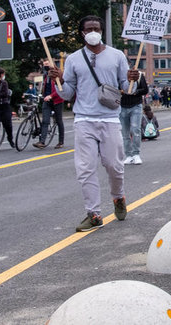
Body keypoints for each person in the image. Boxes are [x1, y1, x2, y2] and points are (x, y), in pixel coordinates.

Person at [48, 15, 138, 232]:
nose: (93, 31)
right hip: (84, 120)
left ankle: (118, 197)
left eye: (96, 28)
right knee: (85, 169)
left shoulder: (117, 55)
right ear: (82, 33)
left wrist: (134, 78)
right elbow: (68, 93)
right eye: (89, 28)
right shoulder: (73, 59)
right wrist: (57, 80)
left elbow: (127, 89)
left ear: (102, 30)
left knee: (114, 166)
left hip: (109, 119)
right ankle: (94, 213)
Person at [35, 60, 66, 149]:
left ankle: (61, 142)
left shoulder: (58, 74)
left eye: (47, 64)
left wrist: (51, 96)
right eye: (44, 65)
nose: (45, 66)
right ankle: (42, 141)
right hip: (47, 100)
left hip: (57, 100)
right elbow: (45, 86)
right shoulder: (46, 75)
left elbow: (60, 88)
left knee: (59, 121)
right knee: (45, 121)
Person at [119, 77, 149, 165]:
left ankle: (136, 154)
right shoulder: (118, 74)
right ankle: (128, 155)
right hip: (122, 106)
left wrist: (136, 91)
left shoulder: (138, 75)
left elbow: (145, 90)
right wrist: (120, 91)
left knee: (135, 129)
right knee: (125, 132)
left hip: (136, 105)